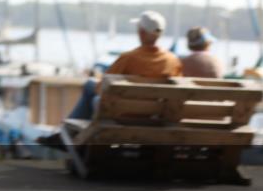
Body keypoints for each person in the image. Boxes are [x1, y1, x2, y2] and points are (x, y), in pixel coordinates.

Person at [37, 11, 182, 148]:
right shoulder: (173, 61)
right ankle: (67, 136)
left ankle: (66, 136)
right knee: (91, 88)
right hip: (155, 116)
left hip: (124, 115)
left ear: (142, 32)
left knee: (90, 88)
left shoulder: (129, 58)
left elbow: (102, 88)